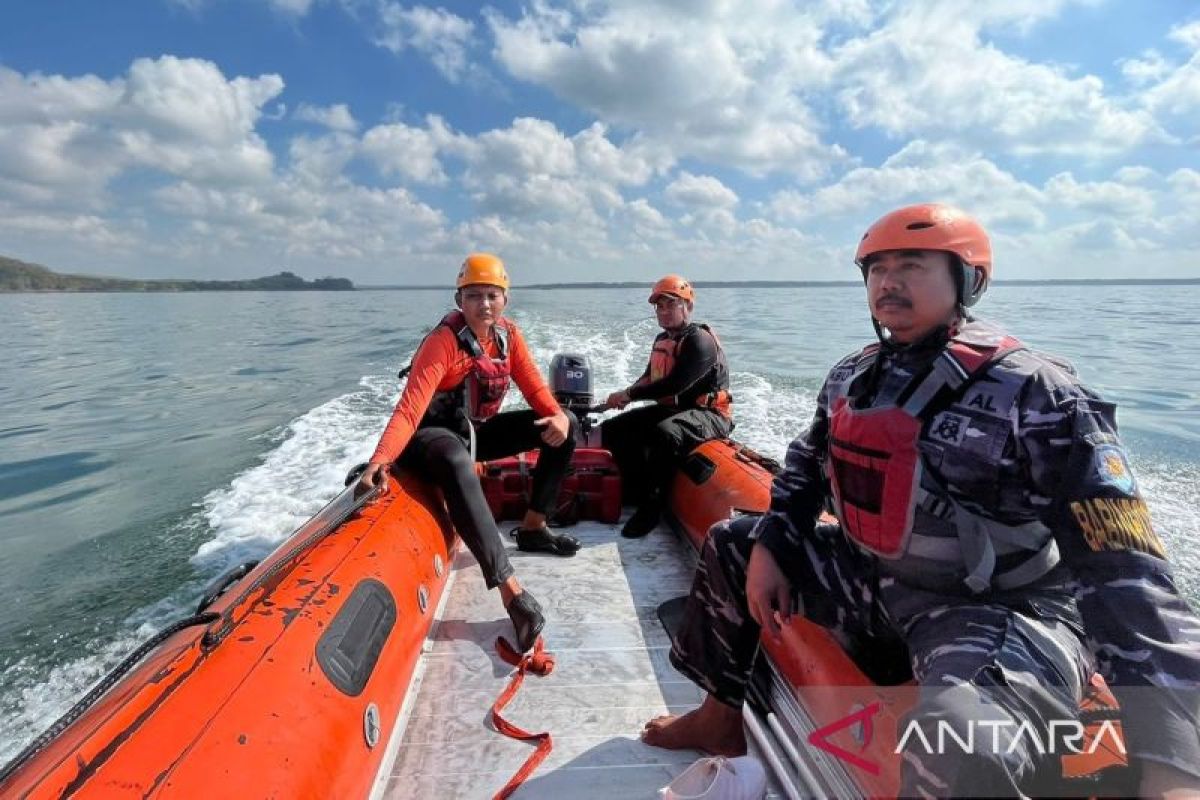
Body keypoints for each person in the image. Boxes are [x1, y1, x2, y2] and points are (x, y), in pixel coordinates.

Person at [640, 204, 1200, 796]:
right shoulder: (853, 376)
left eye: (912, 265)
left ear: (968, 279)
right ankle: (720, 716)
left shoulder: (1040, 395)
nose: (889, 282)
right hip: (876, 576)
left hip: (991, 606)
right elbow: (804, 471)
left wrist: (1172, 762)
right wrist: (773, 544)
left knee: (964, 739)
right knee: (734, 542)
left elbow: (1127, 570)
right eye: (876, 269)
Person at [358, 253, 581, 653]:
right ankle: (511, 592)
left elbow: (535, 389)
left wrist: (557, 417)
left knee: (565, 426)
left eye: (492, 295)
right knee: (455, 459)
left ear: (506, 300)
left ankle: (533, 527)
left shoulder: (509, 337)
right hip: (431, 437)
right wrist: (380, 460)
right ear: (460, 299)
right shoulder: (442, 342)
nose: (484, 304)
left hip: (475, 431)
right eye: (474, 295)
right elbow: (410, 408)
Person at [600, 275, 734, 538]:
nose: (663, 311)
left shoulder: (699, 341)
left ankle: (653, 506)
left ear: (688, 306)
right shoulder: (662, 339)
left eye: (671, 305)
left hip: (710, 414)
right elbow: (649, 378)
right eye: (659, 306)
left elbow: (675, 385)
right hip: (676, 411)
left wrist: (629, 394)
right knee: (614, 428)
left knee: (665, 433)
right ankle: (635, 490)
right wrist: (621, 397)